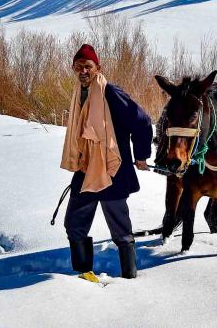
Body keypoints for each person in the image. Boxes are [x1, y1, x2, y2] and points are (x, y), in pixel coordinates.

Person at [61, 44, 152, 282]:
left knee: (121, 231)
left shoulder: (110, 92)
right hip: (86, 170)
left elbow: (142, 121)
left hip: (113, 171)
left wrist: (141, 155)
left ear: (97, 68)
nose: (83, 71)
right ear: (73, 68)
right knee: (74, 225)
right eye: (79, 66)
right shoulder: (78, 94)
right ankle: (84, 275)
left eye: (88, 66)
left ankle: (130, 279)